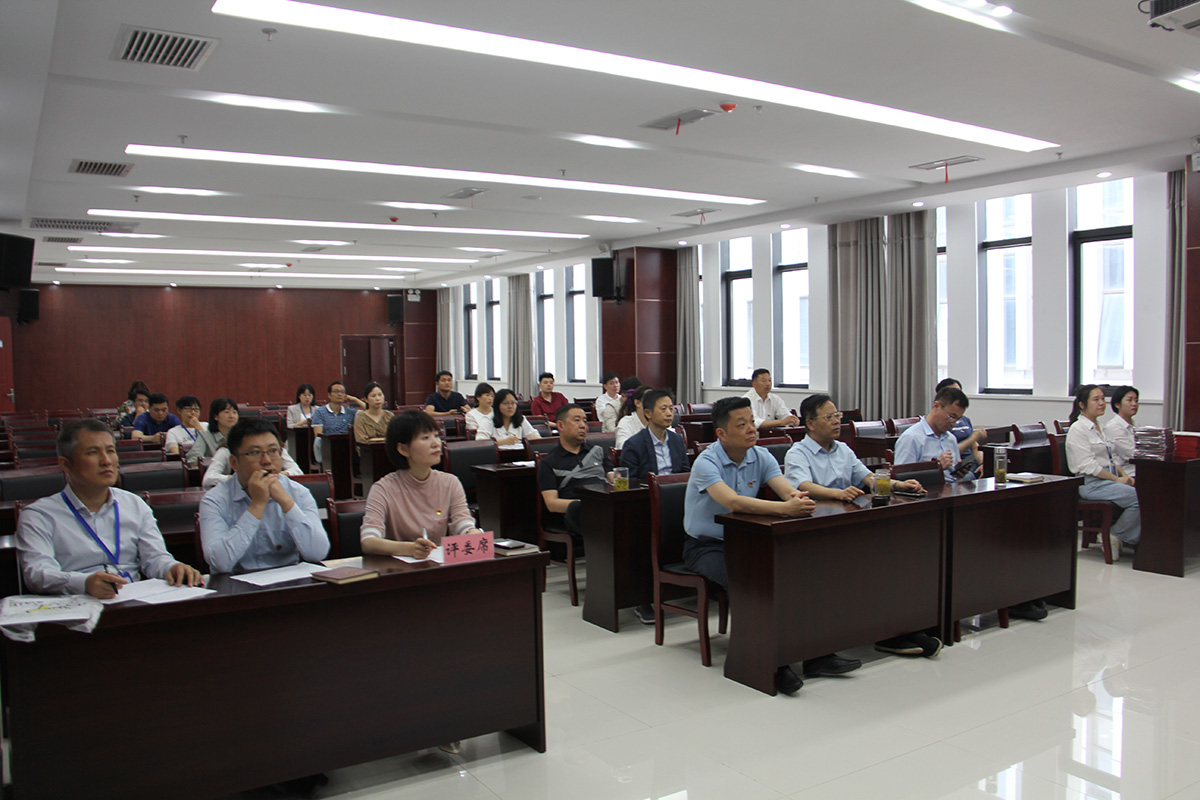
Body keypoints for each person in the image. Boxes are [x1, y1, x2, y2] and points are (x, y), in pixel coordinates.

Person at [683, 396, 856, 696]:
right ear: (721, 433)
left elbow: (787, 491)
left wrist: (798, 500)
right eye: (742, 425)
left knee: (800, 572)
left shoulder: (760, 456)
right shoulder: (706, 462)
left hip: (750, 542)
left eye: (752, 422)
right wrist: (784, 509)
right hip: (707, 546)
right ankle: (768, 662)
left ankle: (816, 655)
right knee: (752, 582)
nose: (752, 429)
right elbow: (733, 502)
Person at [785, 394, 939, 658]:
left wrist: (899, 484)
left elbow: (868, 478)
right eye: (829, 417)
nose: (837, 421)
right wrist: (837, 493)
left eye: (837, 416)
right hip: (817, 531)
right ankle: (885, 632)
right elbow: (802, 485)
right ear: (810, 423)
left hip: (850, 525)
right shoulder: (797, 453)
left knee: (895, 560)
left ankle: (899, 629)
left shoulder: (843, 449)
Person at [16, 418, 202, 598]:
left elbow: (155, 558)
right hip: (76, 605)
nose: (106, 461)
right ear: (65, 464)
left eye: (110, 451)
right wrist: (84, 583)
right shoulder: (39, 515)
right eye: (93, 452)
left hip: (132, 600)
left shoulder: (134, 504)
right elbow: (38, 574)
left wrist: (172, 567)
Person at [198, 418, 328, 574]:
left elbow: (318, 553)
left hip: (287, 581)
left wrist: (286, 502)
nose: (267, 461)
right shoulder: (214, 500)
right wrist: (257, 505)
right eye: (255, 453)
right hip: (235, 584)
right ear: (234, 463)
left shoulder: (298, 493)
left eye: (273, 451)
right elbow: (219, 562)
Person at [360, 411, 484, 558]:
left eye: (436, 436)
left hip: (437, 564)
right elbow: (368, 541)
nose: (436, 443)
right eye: (425, 437)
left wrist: (471, 532)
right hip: (400, 567)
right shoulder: (383, 489)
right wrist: (408, 549)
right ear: (403, 449)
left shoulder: (450, 483)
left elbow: (461, 522)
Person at [1066, 384, 1140, 561]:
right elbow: (1089, 466)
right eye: (1096, 399)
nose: (1101, 403)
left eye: (1102, 399)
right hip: (1091, 483)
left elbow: (1112, 458)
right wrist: (1116, 479)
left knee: (1146, 492)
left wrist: (1124, 476)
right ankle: (1116, 535)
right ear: (1082, 405)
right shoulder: (1078, 429)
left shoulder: (1100, 427)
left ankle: (1126, 537)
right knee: (1138, 498)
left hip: (1108, 479)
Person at [538, 404, 612, 540]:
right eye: (577, 420)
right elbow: (551, 503)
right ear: (560, 426)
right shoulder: (549, 462)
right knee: (576, 509)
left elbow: (614, 478)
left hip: (604, 503)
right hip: (577, 511)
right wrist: (586, 504)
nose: (583, 425)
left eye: (585, 420)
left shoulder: (598, 451)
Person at [893, 386, 975, 483]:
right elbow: (901, 478)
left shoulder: (951, 439)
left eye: (957, 419)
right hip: (927, 490)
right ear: (937, 406)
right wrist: (935, 468)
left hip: (952, 488)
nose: (953, 423)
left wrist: (959, 474)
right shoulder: (911, 438)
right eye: (952, 417)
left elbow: (954, 478)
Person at [620, 389, 688, 481]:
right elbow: (631, 481)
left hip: (676, 488)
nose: (669, 413)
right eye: (663, 409)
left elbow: (685, 473)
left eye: (671, 409)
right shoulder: (634, 445)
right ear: (648, 413)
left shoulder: (677, 440)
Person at [936, 378, 986, 476]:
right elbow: (951, 453)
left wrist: (983, 464)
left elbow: (975, 447)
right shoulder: (943, 423)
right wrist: (972, 438)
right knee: (969, 476)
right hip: (957, 465)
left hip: (971, 462)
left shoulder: (965, 420)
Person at [311, 381, 362, 464]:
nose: (339, 394)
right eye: (336, 391)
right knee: (318, 440)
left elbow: (368, 411)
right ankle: (322, 463)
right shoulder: (320, 412)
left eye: (342, 392)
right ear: (329, 395)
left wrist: (355, 399)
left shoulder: (350, 412)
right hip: (328, 446)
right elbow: (318, 435)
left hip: (346, 446)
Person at [187, 397, 239, 466]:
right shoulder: (205, 436)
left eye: (234, 412)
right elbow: (193, 461)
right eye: (227, 412)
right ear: (215, 416)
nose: (232, 416)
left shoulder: (242, 437)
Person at [1104, 385, 1139, 479]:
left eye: (1136, 400)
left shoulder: (1135, 425)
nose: (1134, 404)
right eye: (1129, 400)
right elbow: (1130, 454)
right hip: (1127, 473)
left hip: (1139, 469)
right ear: (1117, 405)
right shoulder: (1114, 426)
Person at [353, 381, 394, 448]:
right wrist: (385, 439)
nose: (378, 398)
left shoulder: (389, 415)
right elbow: (361, 439)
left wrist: (373, 440)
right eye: (373, 396)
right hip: (367, 451)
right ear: (366, 399)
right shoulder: (360, 416)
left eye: (380, 395)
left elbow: (395, 437)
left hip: (388, 450)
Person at [614, 383, 652, 449]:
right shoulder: (626, 422)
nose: (653, 404)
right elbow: (623, 447)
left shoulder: (660, 421)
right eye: (649, 400)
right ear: (637, 403)